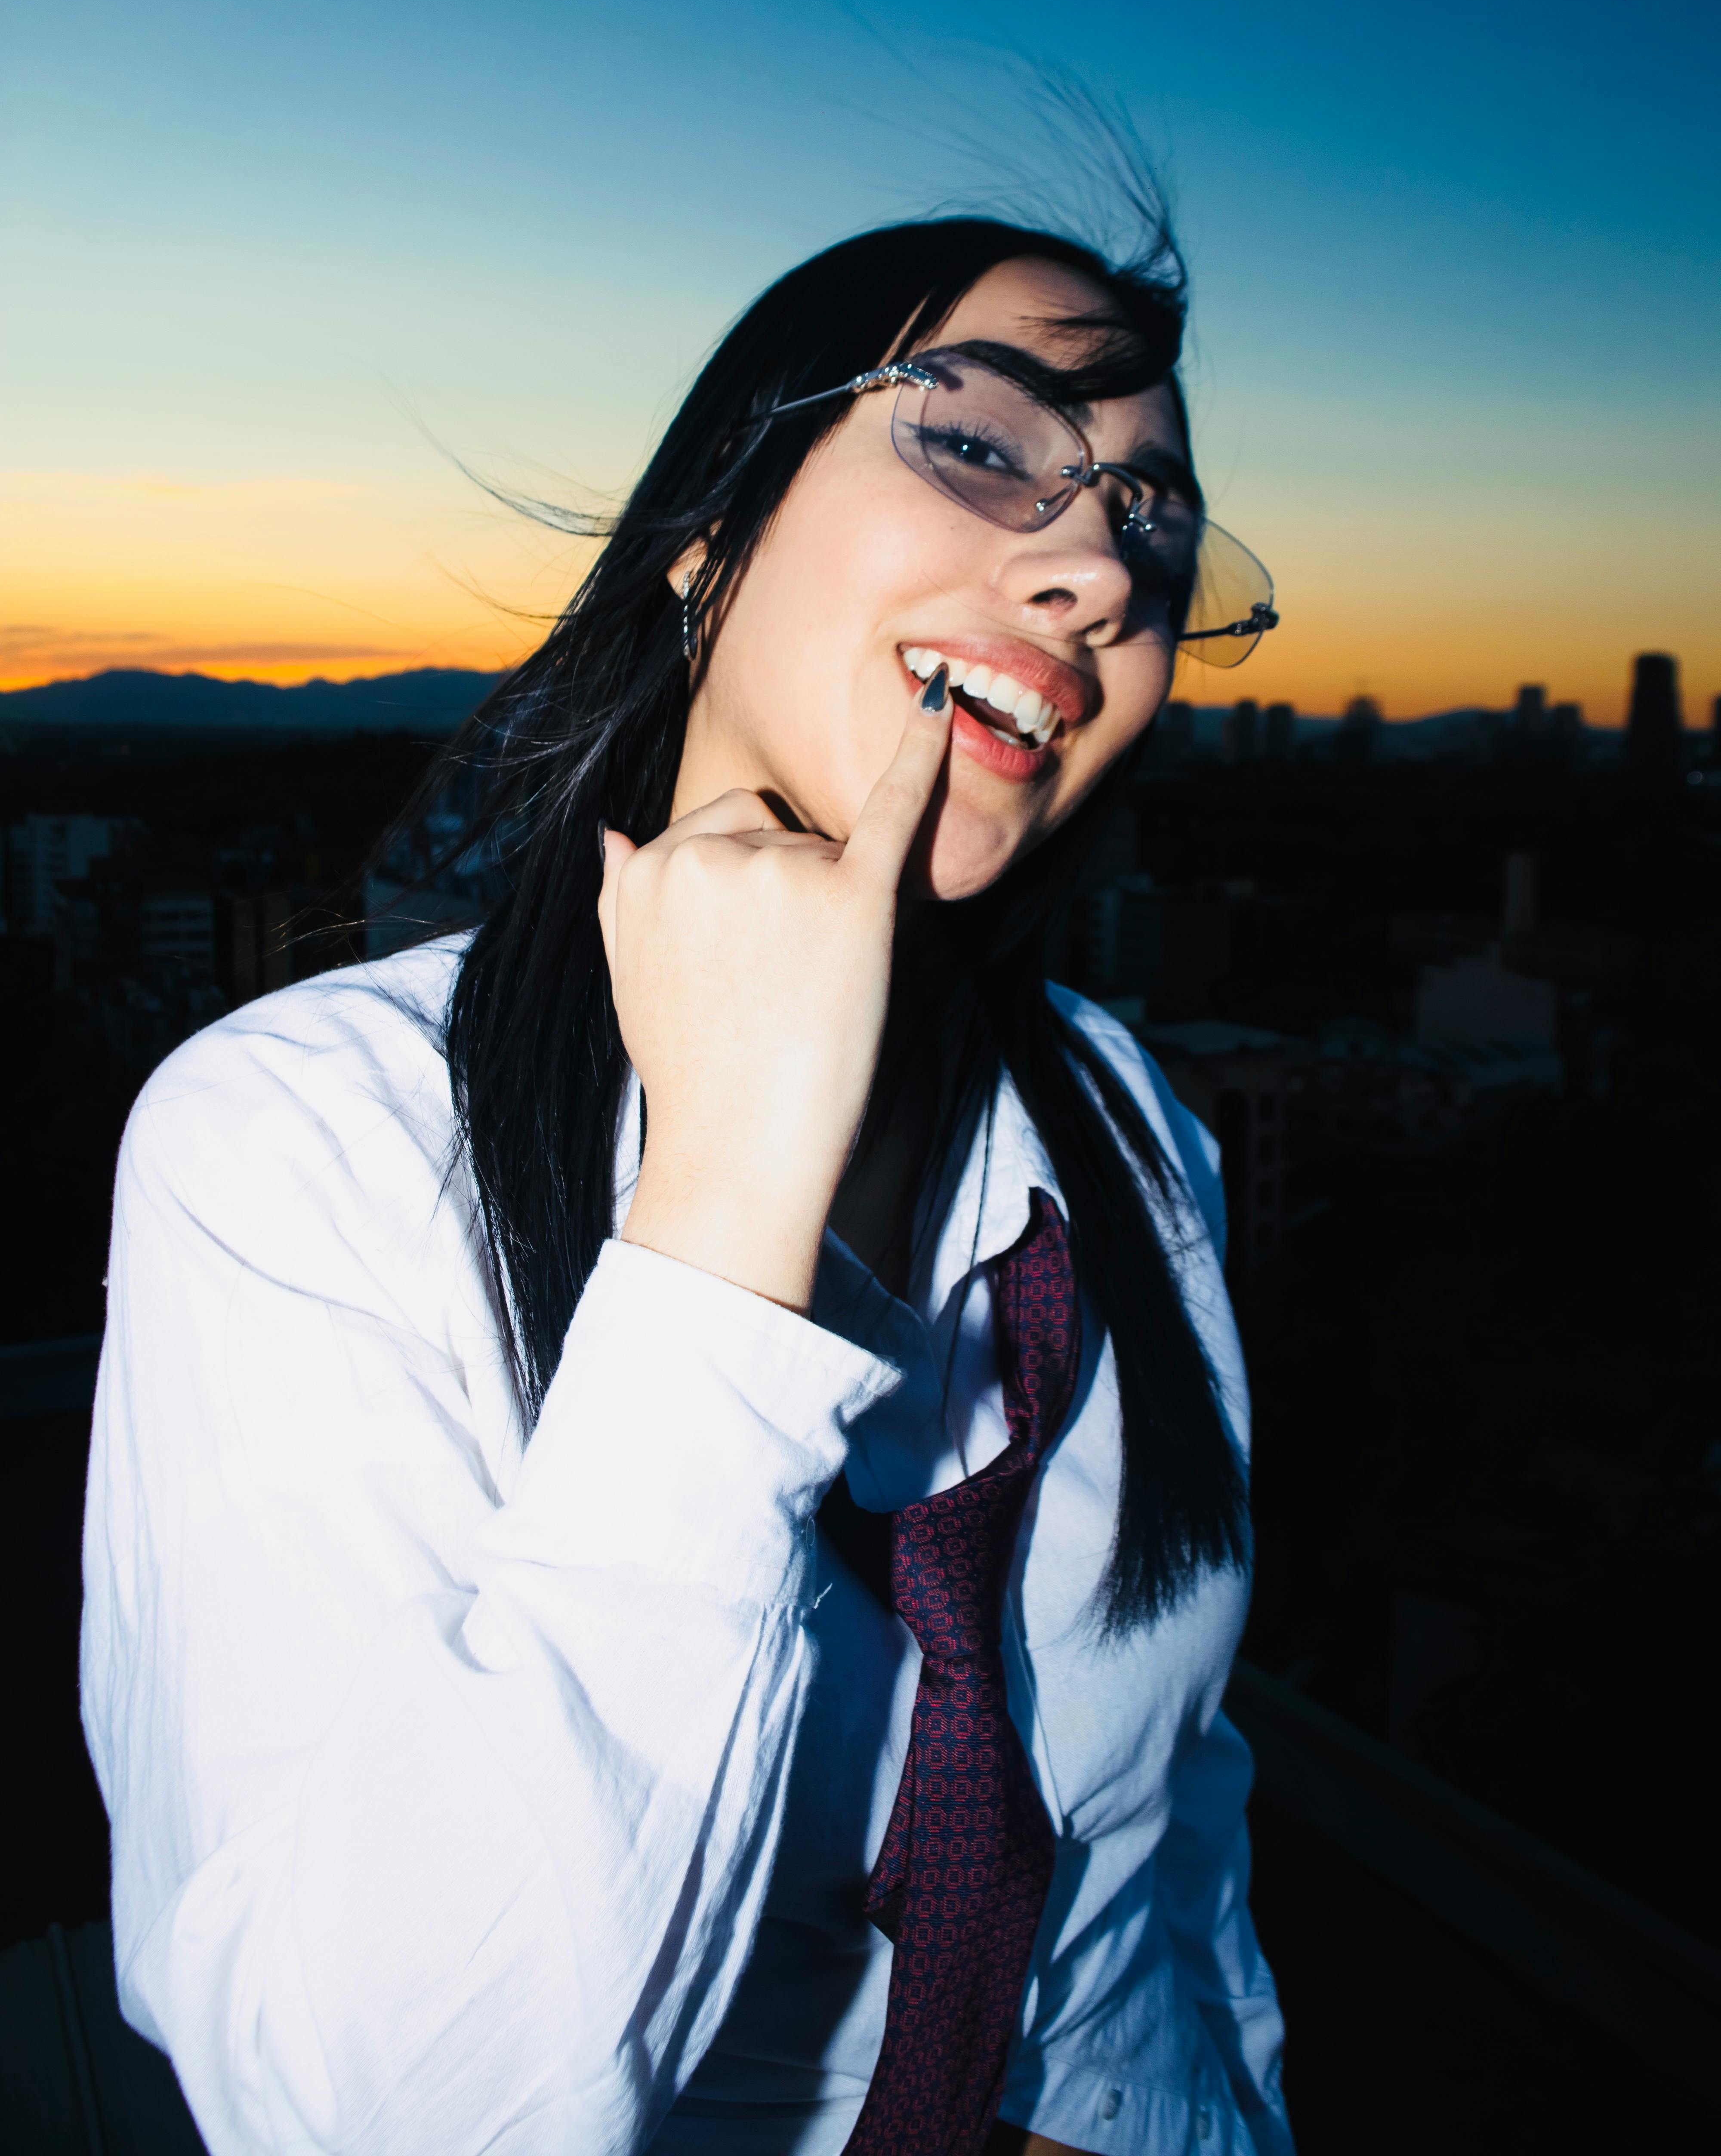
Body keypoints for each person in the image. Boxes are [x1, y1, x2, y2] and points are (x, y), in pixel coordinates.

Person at [82, 206, 1293, 2156]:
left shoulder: (1129, 1135)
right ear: (707, 530)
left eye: (1153, 519)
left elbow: (1160, 1834)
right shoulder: (309, 1136)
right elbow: (380, 2111)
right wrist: (726, 1220)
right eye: (977, 442)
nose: (1092, 567)